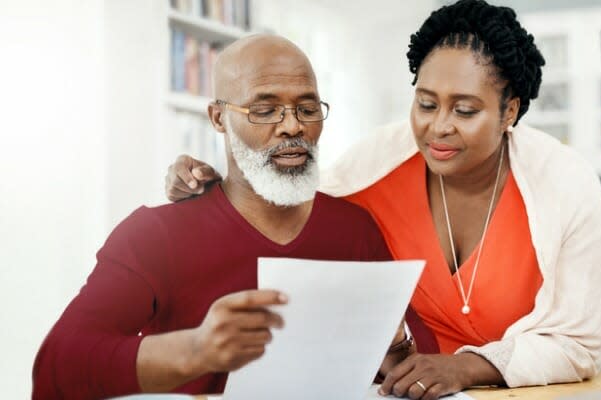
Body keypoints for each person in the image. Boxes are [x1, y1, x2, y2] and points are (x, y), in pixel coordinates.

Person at [166, 1, 601, 399]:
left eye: (465, 110)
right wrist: (210, 191)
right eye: (426, 103)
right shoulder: (375, 165)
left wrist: (466, 367)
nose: (439, 126)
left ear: (509, 111)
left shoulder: (564, 184)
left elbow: (581, 345)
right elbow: (281, 221)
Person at [32, 35, 395, 400]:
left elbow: (403, 359)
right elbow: (57, 368)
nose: (292, 127)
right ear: (219, 118)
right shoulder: (155, 234)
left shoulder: (355, 228)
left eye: (307, 108)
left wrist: (396, 350)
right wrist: (197, 349)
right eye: (264, 110)